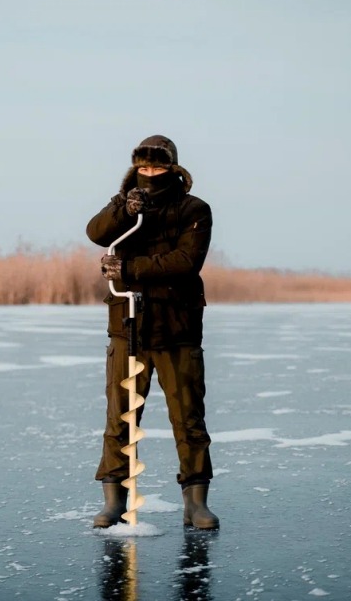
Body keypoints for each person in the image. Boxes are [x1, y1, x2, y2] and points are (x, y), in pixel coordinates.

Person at [86, 135, 219, 530]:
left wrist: (129, 271)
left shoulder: (195, 210)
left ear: (172, 168)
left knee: (189, 418)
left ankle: (196, 503)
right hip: (129, 328)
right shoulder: (126, 207)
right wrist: (123, 210)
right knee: (120, 418)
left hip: (178, 330)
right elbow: (96, 232)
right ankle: (114, 500)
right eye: (142, 168)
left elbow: (185, 261)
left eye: (157, 168)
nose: (149, 174)